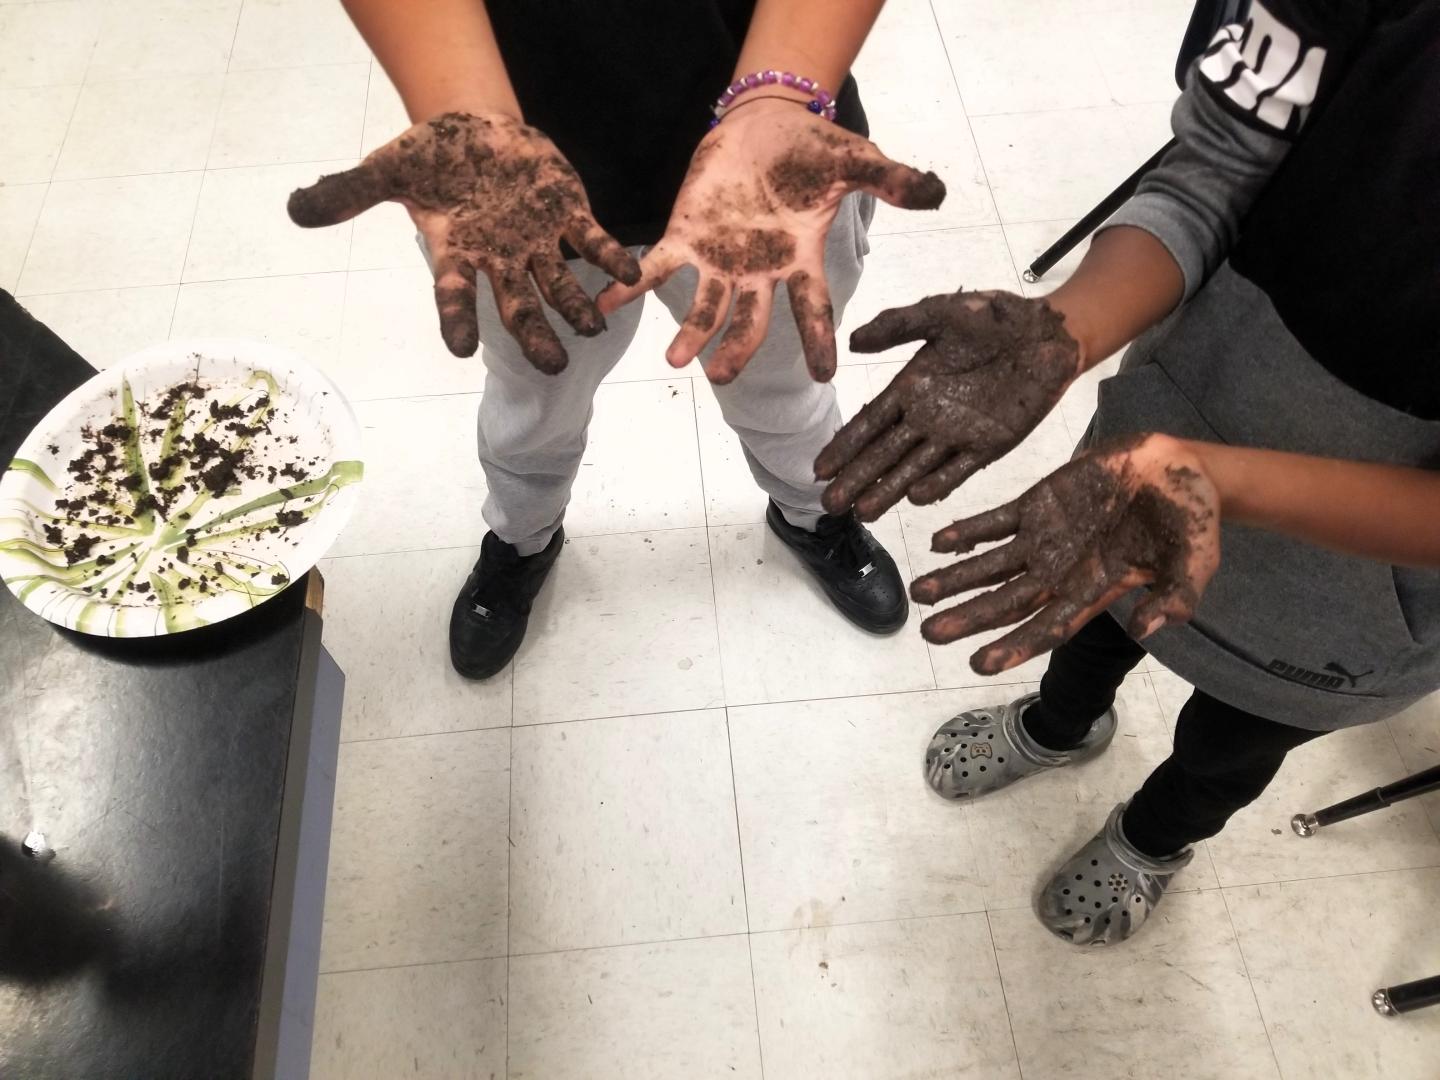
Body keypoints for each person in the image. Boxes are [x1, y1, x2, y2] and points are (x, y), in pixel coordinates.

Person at [816, 0, 1440, 944]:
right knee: (1095, 620)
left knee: (1232, 744)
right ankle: (1058, 728)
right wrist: (1070, 328)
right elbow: (1220, 169)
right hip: (1160, 447)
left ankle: (1153, 841)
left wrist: (1215, 479)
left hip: (1361, 598)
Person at [287, 0, 948, 678]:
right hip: (513, 173)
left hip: (774, 147)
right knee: (534, 402)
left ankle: (815, 518)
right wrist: (465, 112)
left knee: (785, 382)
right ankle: (522, 541)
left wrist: (778, 95)